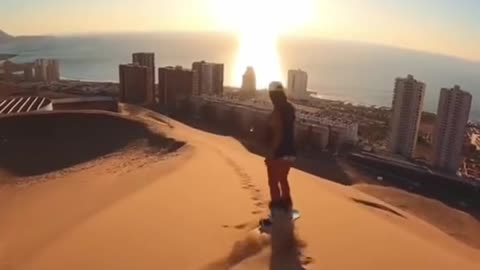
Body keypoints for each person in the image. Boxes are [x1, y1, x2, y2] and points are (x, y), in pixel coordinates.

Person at [265, 82, 296, 211]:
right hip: (291, 152)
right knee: (283, 179)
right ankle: (286, 205)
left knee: (273, 182)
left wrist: (271, 153)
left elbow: (278, 133)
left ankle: (277, 212)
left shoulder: (278, 111)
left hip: (279, 153)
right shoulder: (290, 108)